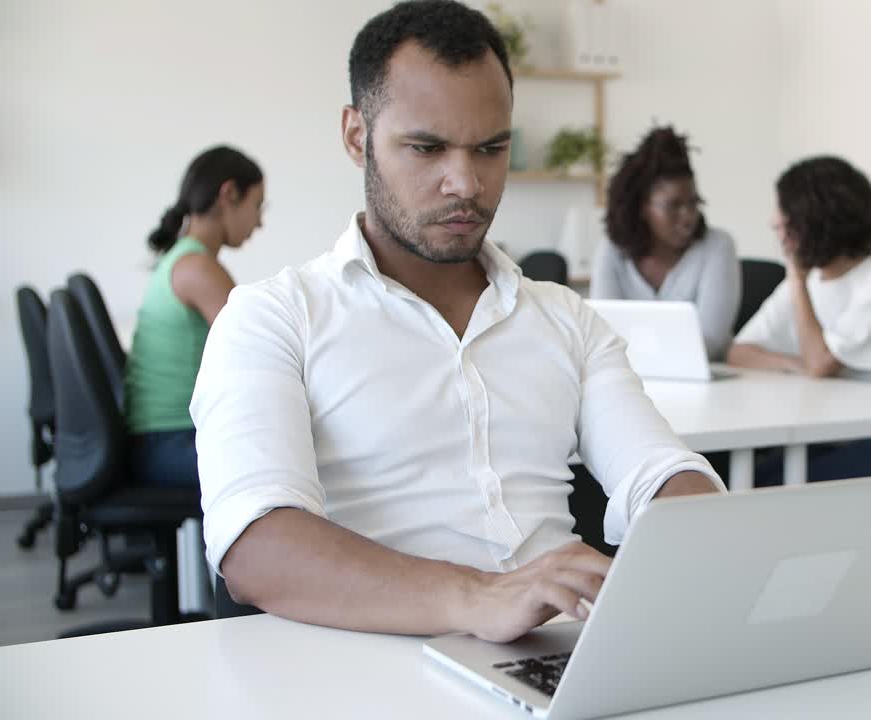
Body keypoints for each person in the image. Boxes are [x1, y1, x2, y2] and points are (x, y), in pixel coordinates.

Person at [191, 0, 722, 643]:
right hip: (368, 664)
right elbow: (257, 548)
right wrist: (480, 597)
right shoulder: (272, 318)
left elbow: (659, 471)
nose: (465, 183)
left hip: (554, 659)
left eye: (490, 148)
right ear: (357, 136)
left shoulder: (565, 319)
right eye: (426, 147)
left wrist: (704, 533)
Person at [727, 155, 871, 483]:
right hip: (829, 435)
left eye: (785, 215)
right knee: (737, 482)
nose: (775, 223)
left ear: (814, 221)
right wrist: (795, 364)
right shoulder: (811, 279)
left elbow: (822, 364)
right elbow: (739, 352)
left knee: (764, 490)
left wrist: (797, 280)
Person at [125, 146, 265, 488]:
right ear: (228, 194)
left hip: (156, 441)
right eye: (257, 206)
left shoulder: (182, 259)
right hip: (168, 444)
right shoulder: (197, 268)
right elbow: (258, 352)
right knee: (286, 464)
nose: (259, 222)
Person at [591, 127, 741, 360]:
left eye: (693, 203)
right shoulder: (612, 250)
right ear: (642, 207)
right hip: (631, 379)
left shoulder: (717, 247)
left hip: (709, 384)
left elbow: (710, 341)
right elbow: (602, 334)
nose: (688, 216)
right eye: (673, 206)